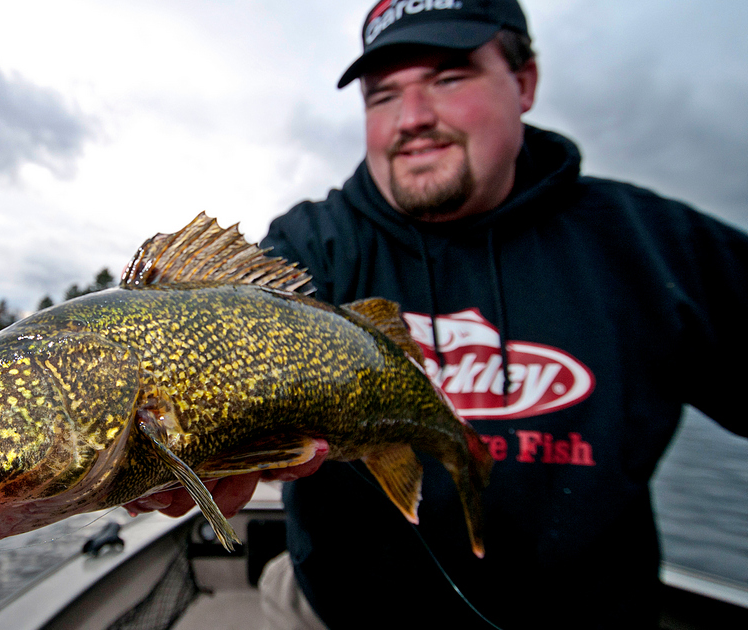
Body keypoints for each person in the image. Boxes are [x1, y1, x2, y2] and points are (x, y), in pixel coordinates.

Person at [127, 0, 748, 628]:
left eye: (450, 78)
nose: (413, 119)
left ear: (525, 81)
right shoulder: (314, 247)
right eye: (382, 95)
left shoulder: (654, 247)